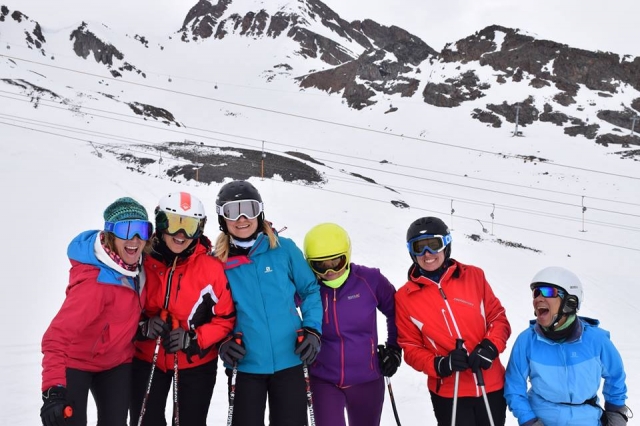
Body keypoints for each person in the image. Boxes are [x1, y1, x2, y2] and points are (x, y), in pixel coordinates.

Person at [213, 180, 322, 426]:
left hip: (291, 358)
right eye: (232, 211)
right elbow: (212, 312)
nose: (241, 218)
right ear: (222, 218)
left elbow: (310, 290)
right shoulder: (217, 262)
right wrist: (223, 342)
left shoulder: (284, 249)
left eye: (249, 209)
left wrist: (313, 330)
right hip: (245, 363)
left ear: (259, 212)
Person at [41, 197, 152, 426]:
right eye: (125, 230)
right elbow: (55, 337)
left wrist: (144, 326)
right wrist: (53, 389)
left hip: (116, 363)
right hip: (76, 363)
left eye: (142, 230)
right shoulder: (95, 284)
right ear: (110, 234)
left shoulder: (139, 269)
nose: (134, 239)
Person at [129, 191, 235, 426]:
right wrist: (143, 327)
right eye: (174, 223)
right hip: (147, 359)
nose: (181, 234)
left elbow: (225, 318)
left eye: (189, 226)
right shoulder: (142, 260)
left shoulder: (210, 268)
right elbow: (122, 307)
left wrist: (194, 339)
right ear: (160, 223)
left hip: (195, 364)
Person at [395, 216, 511, 426]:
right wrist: (440, 364)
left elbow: (498, 318)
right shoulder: (405, 297)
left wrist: (490, 347)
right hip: (449, 392)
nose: (427, 254)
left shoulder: (474, 276)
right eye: (419, 247)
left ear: (446, 244)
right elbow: (410, 347)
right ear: (411, 252)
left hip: (490, 383)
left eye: (434, 244)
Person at [504, 266, 630, 426]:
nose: (538, 298)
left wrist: (616, 412)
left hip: (588, 421)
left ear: (570, 301)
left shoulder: (596, 340)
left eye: (548, 292)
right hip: (543, 420)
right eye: (536, 293)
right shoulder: (527, 341)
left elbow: (615, 376)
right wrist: (529, 421)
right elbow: (514, 387)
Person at [302, 222, 401, 426]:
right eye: (321, 265)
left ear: (347, 256)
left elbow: (397, 312)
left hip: (367, 378)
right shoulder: (309, 286)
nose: (330, 271)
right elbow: (280, 309)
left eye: (336, 262)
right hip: (323, 379)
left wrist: (394, 349)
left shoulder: (370, 280)